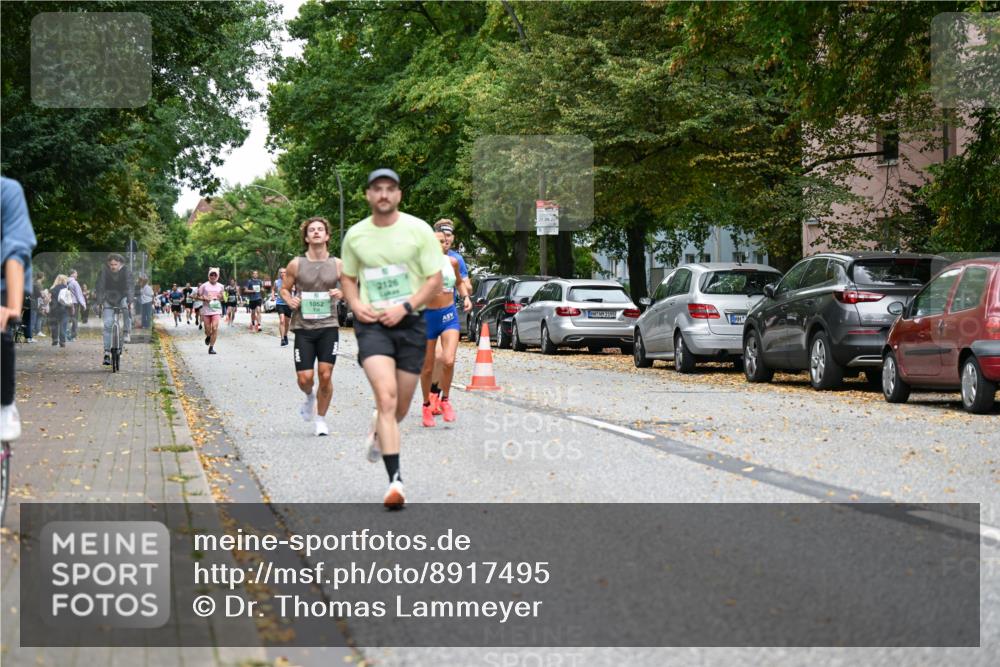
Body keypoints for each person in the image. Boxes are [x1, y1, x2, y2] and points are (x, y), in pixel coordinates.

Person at [341, 168, 443, 509]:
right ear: (369, 195)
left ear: (398, 194)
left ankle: (378, 430)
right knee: (385, 398)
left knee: (398, 408)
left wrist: (406, 306)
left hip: (411, 323)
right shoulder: (356, 236)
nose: (383, 194)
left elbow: (434, 279)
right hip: (373, 326)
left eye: (390, 189)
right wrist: (355, 305)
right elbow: (348, 277)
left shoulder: (419, 231)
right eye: (377, 189)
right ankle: (395, 482)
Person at [281, 218, 344, 436]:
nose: (316, 233)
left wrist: (342, 292)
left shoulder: (337, 264)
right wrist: (290, 300)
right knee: (305, 379)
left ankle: (321, 420)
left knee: (325, 375)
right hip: (304, 328)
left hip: (328, 326)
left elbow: (350, 285)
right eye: (312, 230)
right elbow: (285, 289)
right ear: (306, 237)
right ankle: (309, 396)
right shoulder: (296, 264)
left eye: (320, 230)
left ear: (327, 236)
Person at [420, 231, 472, 427]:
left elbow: (459, 282)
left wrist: (465, 297)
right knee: (426, 368)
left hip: (448, 316)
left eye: (442, 242)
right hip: (427, 318)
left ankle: (445, 400)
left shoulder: (452, 263)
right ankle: (426, 405)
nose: (441, 245)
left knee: (448, 360)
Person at [1, 176, 38, 441]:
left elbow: (15, 251)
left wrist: (11, 308)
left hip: (5, 281)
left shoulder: (7, 191)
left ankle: (5, 406)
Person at [95, 253, 133, 366]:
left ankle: (126, 332)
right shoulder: (103, 272)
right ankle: (107, 353)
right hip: (108, 298)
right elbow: (100, 287)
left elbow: (130, 286)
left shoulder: (126, 272)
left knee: (126, 307)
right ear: (108, 264)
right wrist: (99, 302)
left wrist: (130, 301)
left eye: (115, 264)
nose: (113, 266)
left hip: (122, 297)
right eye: (111, 264)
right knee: (107, 325)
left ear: (120, 264)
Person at [197, 268, 225, 354]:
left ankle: (211, 347)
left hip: (216, 309)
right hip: (206, 310)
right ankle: (208, 336)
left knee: (215, 328)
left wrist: (221, 297)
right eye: (211, 275)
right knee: (207, 330)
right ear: (209, 276)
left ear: (217, 276)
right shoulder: (204, 286)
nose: (213, 276)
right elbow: (197, 296)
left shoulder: (221, 286)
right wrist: (204, 298)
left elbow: (223, 298)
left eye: (215, 275)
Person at [48, 274, 70, 347]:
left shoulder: (52, 288)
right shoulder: (66, 288)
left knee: (54, 324)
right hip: (64, 309)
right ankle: (62, 341)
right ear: (63, 280)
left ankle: (54, 340)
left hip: (54, 309)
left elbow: (48, 299)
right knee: (63, 325)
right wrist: (72, 307)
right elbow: (69, 300)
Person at [66, 269, 86, 342]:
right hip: (74, 303)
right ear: (72, 274)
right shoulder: (75, 283)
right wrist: (83, 304)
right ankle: (73, 336)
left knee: (67, 319)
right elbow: (79, 295)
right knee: (74, 320)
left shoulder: (65, 282)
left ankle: (65, 334)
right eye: (76, 273)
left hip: (66, 303)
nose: (77, 275)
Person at [274, 267, 292, 347]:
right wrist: (273, 296)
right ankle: (282, 339)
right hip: (279, 303)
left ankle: (285, 335)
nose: (282, 274)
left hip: (288, 304)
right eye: (281, 272)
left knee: (287, 323)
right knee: (282, 320)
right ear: (279, 274)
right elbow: (273, 289)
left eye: (284, 272)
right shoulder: (277, 282)